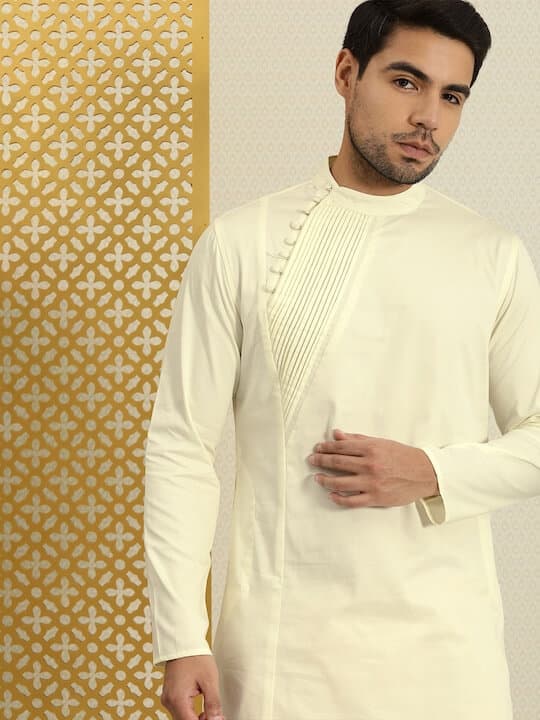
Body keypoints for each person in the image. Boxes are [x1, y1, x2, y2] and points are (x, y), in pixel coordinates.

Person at [143, 1, 540, 718]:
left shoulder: (493, 256)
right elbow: (182, 445)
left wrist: (433, 471)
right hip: (281, 652)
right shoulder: (241, 243)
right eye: (406, 82)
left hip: (449, 656)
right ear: (346, 73)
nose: (429, 118)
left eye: (453, 96)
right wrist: (179, 635)